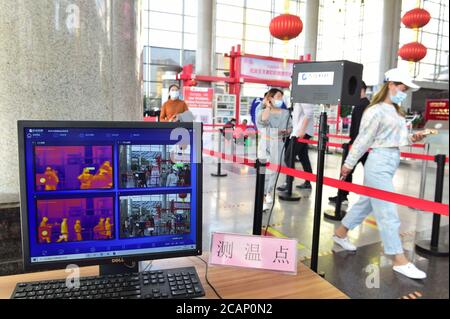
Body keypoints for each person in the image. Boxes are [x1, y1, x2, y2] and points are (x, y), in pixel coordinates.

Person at [333, 68, 428, 279]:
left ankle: (340, 234)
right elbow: (363, 139)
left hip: (391, 159)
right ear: (391, 85)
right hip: (378, 162)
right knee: (387, 212)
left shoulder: (396, 111)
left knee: (366, 202)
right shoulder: (374, 110)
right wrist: (348, 164)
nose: (405, 92)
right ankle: (398, 258)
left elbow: (399, 138)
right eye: (403, 88)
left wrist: (414, 137)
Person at [329, 81, 371, 204]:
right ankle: (344, 195)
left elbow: (359, 128)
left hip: (358, 145)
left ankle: (343, 196)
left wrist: (352, 142)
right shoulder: (367, 104)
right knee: (369, 172)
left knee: (346, 170)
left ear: (361, 89)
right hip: (364, 145)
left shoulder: (360, 106)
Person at [256, 88, 292, 211]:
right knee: (264, 172)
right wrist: (267, 106)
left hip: (279, 143)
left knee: (274, 172)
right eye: (278, 97)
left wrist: (286, 131)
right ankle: (263, 197)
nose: (280, 100)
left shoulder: (285, 113)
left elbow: (290, 127)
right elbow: (263, 121)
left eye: (281, 97)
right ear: (270, 98)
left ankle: (269, 192)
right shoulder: (262, 110)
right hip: (265, 143)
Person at [277, 102, 315, 192]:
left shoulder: (303, 95)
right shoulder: (297, 98)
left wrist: (302, 130)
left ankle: (288, 183)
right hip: (299, 131)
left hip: (301, 133)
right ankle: (307, 182)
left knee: (288, 157)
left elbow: (309, 113)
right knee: (303, 157)